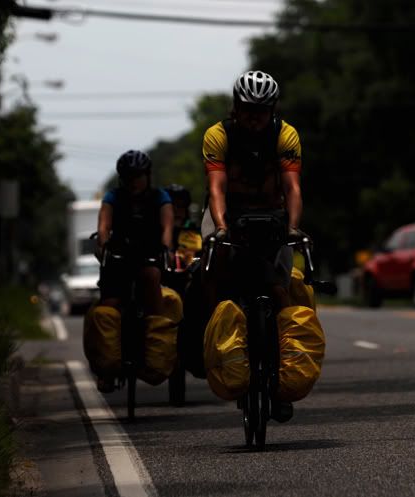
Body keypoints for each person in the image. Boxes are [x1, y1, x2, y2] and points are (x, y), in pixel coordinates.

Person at [200, 70, 307, 421]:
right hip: (228, 214)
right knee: (213, 270)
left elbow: (292, 187)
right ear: (235, 107)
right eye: (247, 109)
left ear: (272, 109)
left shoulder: (285, 134)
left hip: (272, 216)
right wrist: (219, 226)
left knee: (280, 287)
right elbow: (216, 187)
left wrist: (292, 227)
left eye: (261, 111)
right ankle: (218, 349)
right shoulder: (218, 135)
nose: (254, 117)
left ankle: (281, 374)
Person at [94, 149, 174, 391]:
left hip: (148, 255)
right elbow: (104, 225)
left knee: (152, 278)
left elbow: (167, 225)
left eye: (138, 175)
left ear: (147, 175)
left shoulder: (159, 196)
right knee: (109, 304)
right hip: (119, 256)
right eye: (129, 176)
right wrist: (104, 244)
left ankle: (156, 353)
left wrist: (166, 247)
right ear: (122, 178)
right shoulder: (113, 196)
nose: (134, 180)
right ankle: (106, 370)